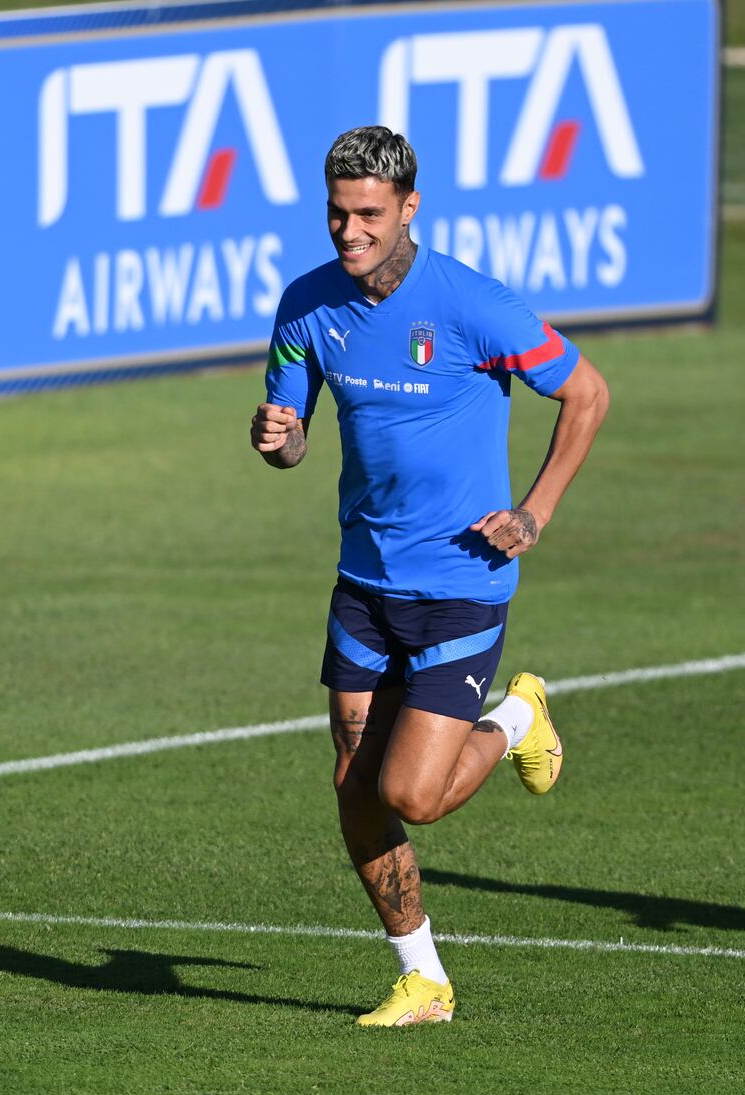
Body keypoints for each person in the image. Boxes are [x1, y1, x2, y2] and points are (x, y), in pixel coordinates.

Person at [250, 126, 609, 1027]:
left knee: (412, 795)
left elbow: (587, 392)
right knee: (352, 788)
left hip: (460, 584)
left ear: (410, 208)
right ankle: (425, 981)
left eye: (368, 213)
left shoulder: (472, 305)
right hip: (362, 586)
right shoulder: (305, 308)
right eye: (337, 212)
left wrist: (536, 511)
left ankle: (519, 714)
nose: (348, 230)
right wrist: (280, 439)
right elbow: (290, 437)